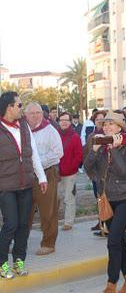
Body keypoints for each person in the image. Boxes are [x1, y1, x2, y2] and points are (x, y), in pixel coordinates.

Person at [84, 111, 126, 293]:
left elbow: (124, 171)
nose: (107, 127)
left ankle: (111, 283)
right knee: (119, 241)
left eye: (111, 124)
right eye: (105, 124)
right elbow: (87, 168)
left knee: (113, 240)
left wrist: (114, 149)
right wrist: (94, 151)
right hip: (107, 200)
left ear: (120, 128)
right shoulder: (100, 143)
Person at [0, 92, 47, 279]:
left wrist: (41, 177)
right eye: (19, 105)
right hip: (6, 187)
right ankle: (3, 263)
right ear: (9, 107)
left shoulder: (24, 125)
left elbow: (32, 152)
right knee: (10, 224)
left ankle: (19, 260)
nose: (22, 108)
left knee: (23, 226)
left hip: (25, 184)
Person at [25, 102, 64, 256]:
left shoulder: (50, 130)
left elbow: (58, 153)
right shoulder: (22, 130)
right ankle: (20, 241)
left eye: (38, 113)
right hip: (26, 177)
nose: (35, 116)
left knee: (48, 211)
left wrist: (37, 163)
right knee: (23, 212)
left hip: (47, 174)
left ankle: (48, 243)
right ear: (25, 115)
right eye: (32, 113)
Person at [83, 110, 107, 233]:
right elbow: (87, 155)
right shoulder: (91, 136)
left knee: (106, 199)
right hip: (95, 174)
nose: (100, 122)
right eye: (97, 119)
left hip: (106, 175)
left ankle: (106, 224)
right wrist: (91, 174)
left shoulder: (108, 135)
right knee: (98, 198)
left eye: (102, 119)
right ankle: (101, 221)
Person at [58, 112, 83, 230]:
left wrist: (70, 168)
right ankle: (53, 222)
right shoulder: (55, 135)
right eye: (61, 120)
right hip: (56, 173)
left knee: (69, 198)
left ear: (70, 121)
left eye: (66, 120)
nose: (63, 122)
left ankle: (68, 222)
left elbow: (79, 156)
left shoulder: (75, 137)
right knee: (55, 199)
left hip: (70, 174)